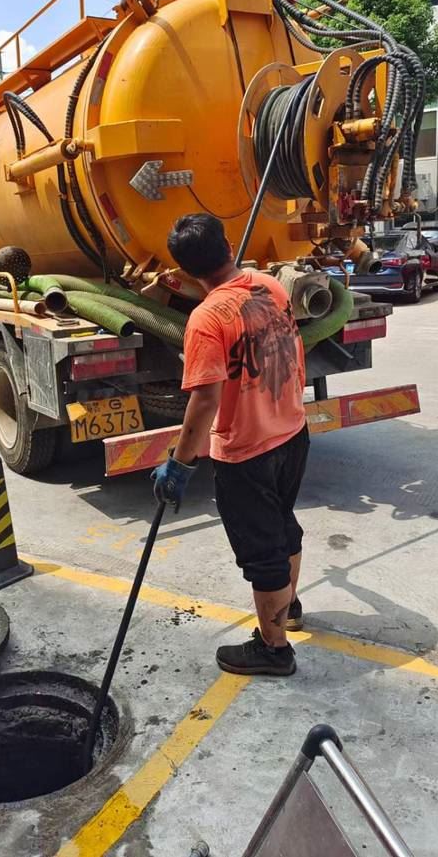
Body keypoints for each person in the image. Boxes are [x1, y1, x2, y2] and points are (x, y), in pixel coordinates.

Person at [152, 213, 309, 677]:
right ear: (227, 244)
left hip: (247, 451)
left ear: (183, 270)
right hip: (292, 433)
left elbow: (205, 399)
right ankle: (288, 606)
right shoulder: (271, 286)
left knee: (263, 552)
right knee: (283, 527)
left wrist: (180, 464)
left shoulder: (206, 319)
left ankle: (274, 649)